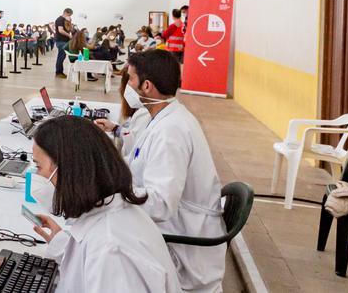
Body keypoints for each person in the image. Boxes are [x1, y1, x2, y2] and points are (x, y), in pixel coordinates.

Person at [28, 116, 181, 293]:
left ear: (69, 171)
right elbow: (88, 265)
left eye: (38, 167)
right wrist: (62, 244)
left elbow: (104, 262)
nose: (36, 177)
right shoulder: (113, 213)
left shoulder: (111, 250)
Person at [120, 50, 226, 292]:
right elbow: (137, 163)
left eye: (131, 79)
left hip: (184, 245)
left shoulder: (171, 131)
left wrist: (114, 193)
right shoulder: (163, 118)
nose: (127, 85)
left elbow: (160, 204)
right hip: (178, 225)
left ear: (146, 86)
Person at [53, 8, 74, 78]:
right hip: (61, 41)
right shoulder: (60, 19)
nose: (70, 16)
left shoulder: (65, 20)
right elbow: (60, 30)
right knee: (61, 57)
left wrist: (70, 23)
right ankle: (58, 72)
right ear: (66, 13)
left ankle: (59, 72)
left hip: (64, 41)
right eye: (69, 15)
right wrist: (69, 35)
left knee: (62, 56)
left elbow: (70, 29)